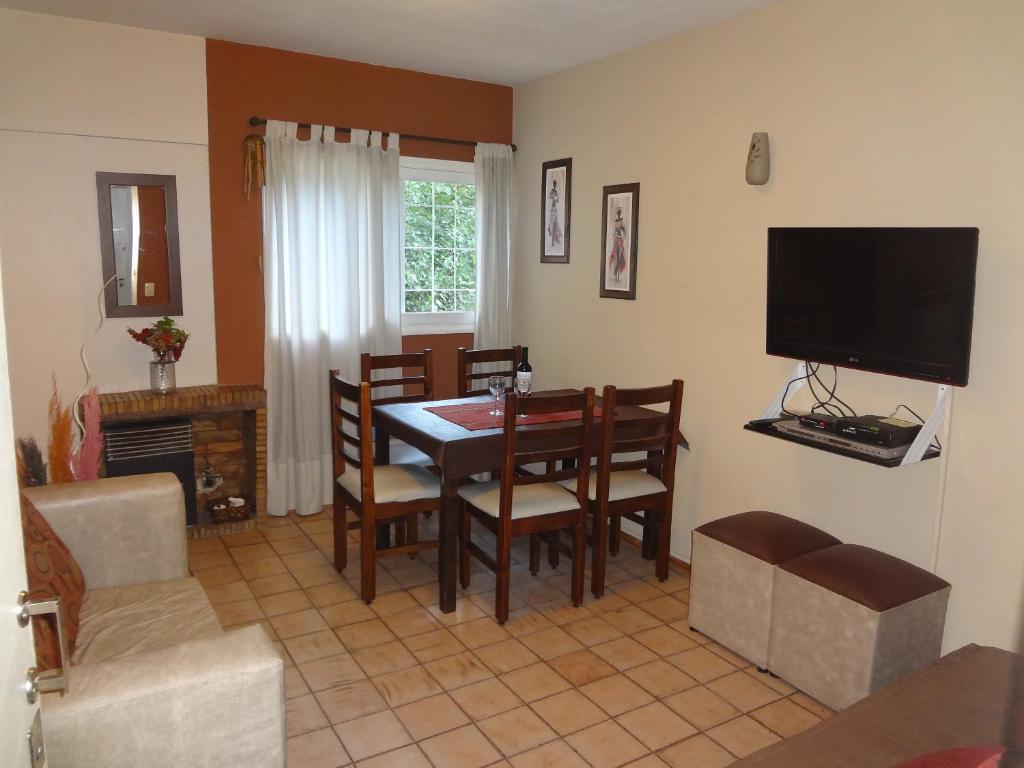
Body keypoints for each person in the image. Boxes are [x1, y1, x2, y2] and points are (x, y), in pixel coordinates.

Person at [608, 207, 627, 282]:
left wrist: (621, 231)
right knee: (615, 255)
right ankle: (615, 272)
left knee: (620, 256)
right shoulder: (615, 221)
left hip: (620, 239)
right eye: (618, 212)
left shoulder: (622, 220)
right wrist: (615, 234)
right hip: (616, 240)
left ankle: (618, 271)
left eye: (619, 212)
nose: (618, 213)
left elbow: (624, 232)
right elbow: (614, 232)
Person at [547, 178, 562, 250]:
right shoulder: (552, 191)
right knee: (552, 223)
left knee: (556, 223)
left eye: (555, 184)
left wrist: (556, 199)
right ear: (553, 184)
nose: (555, 185)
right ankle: (552, 240)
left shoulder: (556, 191)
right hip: (552, 208)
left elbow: (558, 200)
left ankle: (555, 239)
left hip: (555, 208)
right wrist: (554, 198)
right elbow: (550, 197)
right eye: (554, 184)